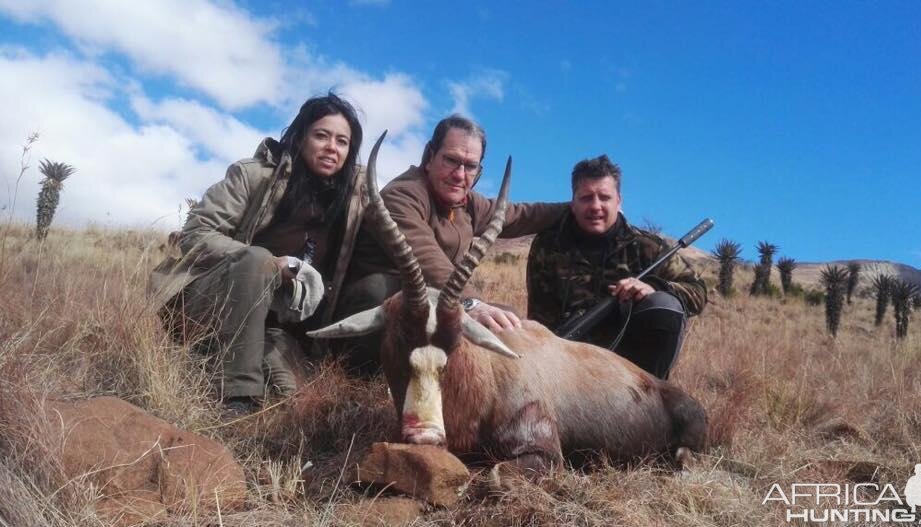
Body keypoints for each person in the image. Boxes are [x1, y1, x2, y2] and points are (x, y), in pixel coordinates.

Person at [149, 93, 367, 416]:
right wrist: (270, 263)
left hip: (276, 327)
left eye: (342, 141)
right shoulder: (253, 175)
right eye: (321, 135)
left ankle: (221, 357)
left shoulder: (354, 199)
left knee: (288, 400)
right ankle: (238, 398)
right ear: (301, 135)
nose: (331, 147)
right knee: (256, 261)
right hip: (214, 300)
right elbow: (197, 233)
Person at [341, 115, 566, 370]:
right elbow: (426, 259)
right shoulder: (401, 196)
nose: (459, 175)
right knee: (381, 290)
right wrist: (470, 303)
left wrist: (581, 208)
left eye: (470, 166)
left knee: (505, 318)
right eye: (451, 160)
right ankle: (371, 373)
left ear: (479, 172)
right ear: (429, 156)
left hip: (436, 302)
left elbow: (522, 214)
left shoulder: (467, 204)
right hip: (386, 302)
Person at [526, 155, 706, 380]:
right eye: (586, 198)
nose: (595, 206)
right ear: (572, 203)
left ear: (619, 201)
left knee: (664, 304)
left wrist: (654, 288)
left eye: (604, 197)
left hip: (630, 363)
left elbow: (698, 291)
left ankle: (654, 394)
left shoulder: (647, 247)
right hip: (567, 362)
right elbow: (538, 316)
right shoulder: (548, 246)